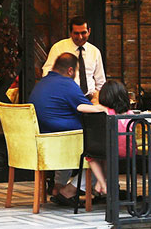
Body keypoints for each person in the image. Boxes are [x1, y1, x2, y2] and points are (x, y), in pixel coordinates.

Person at [28, 53, 107, 205]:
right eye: (76, 72)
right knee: (103, 147)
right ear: (70, 71)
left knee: (75, 141)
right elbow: (89, 108)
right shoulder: (66, 84)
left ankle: (58, 186)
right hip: (61, 140)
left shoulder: (41, 83)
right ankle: (69, 190)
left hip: (44, 141)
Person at [41, 16, 106, 101]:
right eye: (76, 33)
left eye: (83, 33)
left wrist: (97, 98)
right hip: (65, 98)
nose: (80, 37)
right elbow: (47, 74)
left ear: (89, 31)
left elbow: (100, 81)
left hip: (89, 98)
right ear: (71, 33)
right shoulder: (58, 48)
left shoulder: (95, 51)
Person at [86, 80, 134, 196]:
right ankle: (99, 185)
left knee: (91, 156)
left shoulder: (105, 110)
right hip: (129, 150)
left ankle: (103, 185)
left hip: (112, 150)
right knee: (106, 156)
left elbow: (80, 107)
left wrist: (98, 106)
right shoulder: (130, 112)